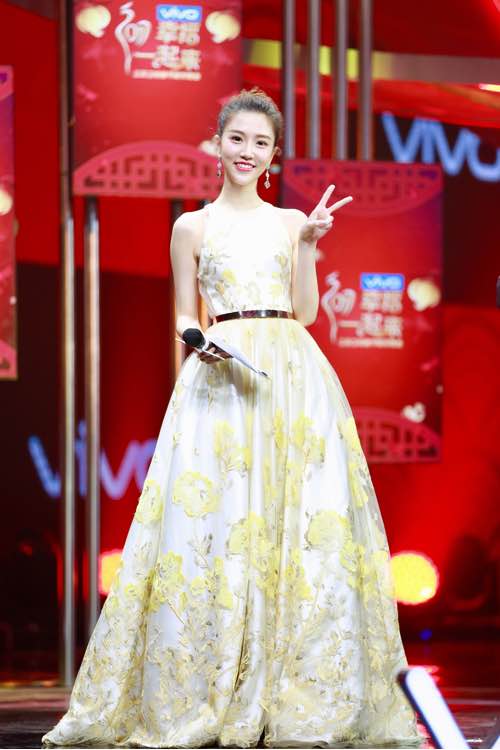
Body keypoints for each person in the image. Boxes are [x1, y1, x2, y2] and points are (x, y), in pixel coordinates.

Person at [42, 88, 424, 748]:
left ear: (274, 155)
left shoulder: (291, 221)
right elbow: (183, 313)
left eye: (261, 143)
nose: (248, 151)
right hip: (219, 374)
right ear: (217, 144)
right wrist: (198, 341)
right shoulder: (191, 227)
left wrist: (308, 244)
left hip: (293, 377)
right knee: (215, 524)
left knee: (299, 524)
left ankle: (294, 689)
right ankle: (210, 684)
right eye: (238, 138)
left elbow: (306, 312)